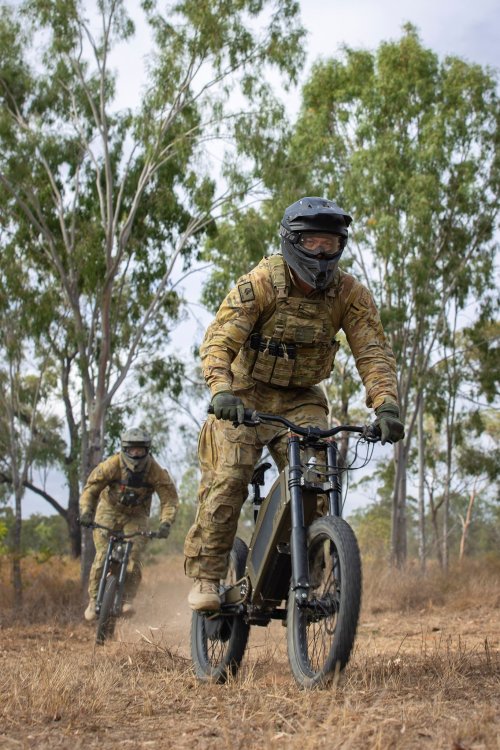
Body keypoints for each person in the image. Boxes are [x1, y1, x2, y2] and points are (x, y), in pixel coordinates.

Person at [184, 196, 405, 611]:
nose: (322, 255)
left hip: (303, 397)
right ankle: (208, 576)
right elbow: (219, 341)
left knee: (318, 480)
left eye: (331, 245)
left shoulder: (349, 293)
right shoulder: (262, 283)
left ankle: (308, 571)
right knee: (229, 476)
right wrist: (220, 389)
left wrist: (386, 405)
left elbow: (372, 350)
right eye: (313, 244)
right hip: (245, 393)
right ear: (291, 242)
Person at [79, 427, 178, 621]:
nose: (136, 454)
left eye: (140, 450)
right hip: (109, 510)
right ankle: (93, 601)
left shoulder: (154, 470)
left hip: (137, 515)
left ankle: (127, 600)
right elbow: (91, 489)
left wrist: (166, 522)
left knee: (133, 557)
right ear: (124, 449)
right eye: (132, 450)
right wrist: (86, 512)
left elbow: (169, 498)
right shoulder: (112, 465)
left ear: (147, 450)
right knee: (101, 556)